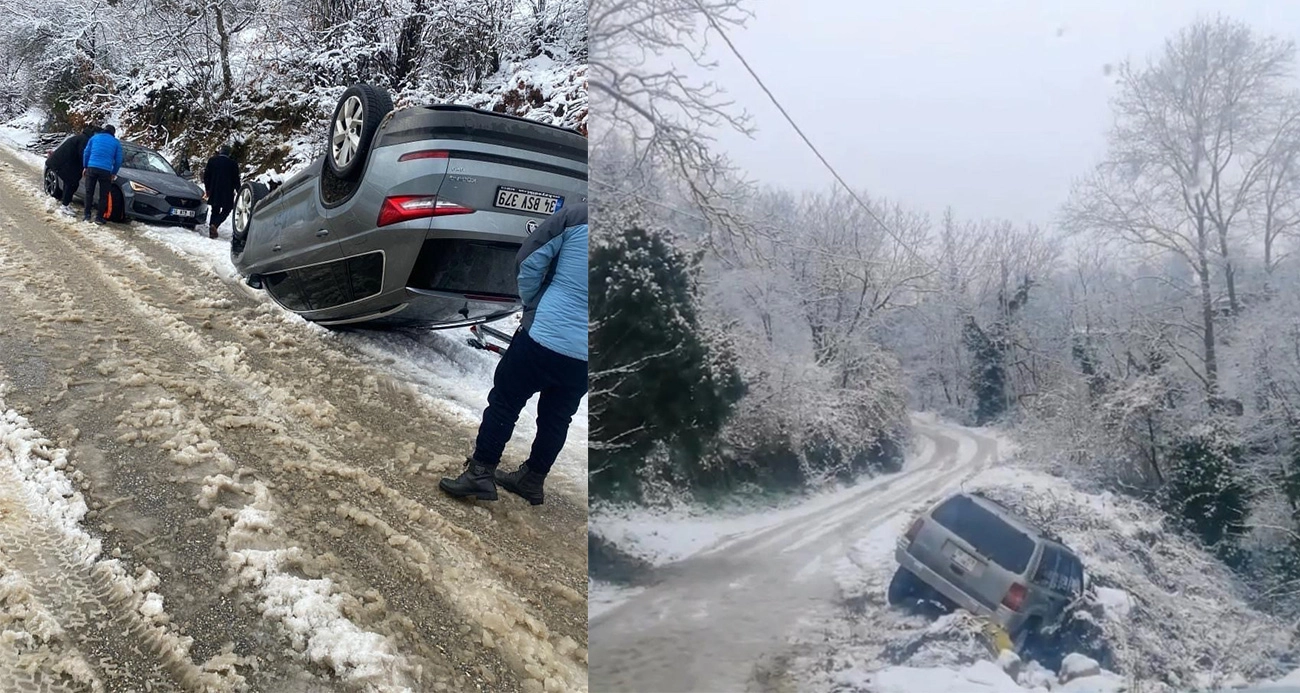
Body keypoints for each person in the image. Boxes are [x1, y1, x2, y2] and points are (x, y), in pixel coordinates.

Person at [440, 203, 589, 506]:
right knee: (558, 417)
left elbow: (529, 259)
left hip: (544, 334)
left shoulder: (576, 216)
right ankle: (532, 479)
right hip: (586, 355)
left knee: (506, 401)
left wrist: (532, 303)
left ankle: (480, 473)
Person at [45, 125, 98, 212]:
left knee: (71, 183)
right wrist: (87, 165)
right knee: (72, 183)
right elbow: (82, 154)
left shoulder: (82, 138)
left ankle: (65, 204)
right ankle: (64, 206)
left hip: (62, 162)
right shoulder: (84, 140)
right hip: (60, 163)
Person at [81, 124, 123, 224]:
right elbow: (118, 160)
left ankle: (87, 215)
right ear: (113, 133)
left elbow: (86, 153)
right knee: (103, 195)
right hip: (105, 170)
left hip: (92, 167)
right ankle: (99, 218)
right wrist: (113, 173)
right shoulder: (116, 143)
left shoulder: (94, 138)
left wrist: (85, 166)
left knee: (89, 192)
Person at [202, 144, 240, 240]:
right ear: (229, 153)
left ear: (220, 151)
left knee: (215, 209)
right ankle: (215, 224)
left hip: (214, 189)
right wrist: (239, 191)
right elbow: (236, 180)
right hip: (227, 192)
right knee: (227, 209)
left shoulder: (212, 161)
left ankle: (212, 229)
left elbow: (206, 176)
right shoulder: (233, 164)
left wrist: (208, 189)